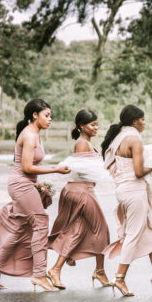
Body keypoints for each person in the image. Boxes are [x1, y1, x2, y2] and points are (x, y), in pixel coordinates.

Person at [0, 99, 70, 291]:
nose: (50, 119)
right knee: (41, 223)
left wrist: (37, 183)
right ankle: (39, 275)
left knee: (20, 227)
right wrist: (55, 170)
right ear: (34, 115)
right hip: (20, 185)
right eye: (47, 115)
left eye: (50, 116)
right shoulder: (30, 135)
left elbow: (28, 168)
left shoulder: (35, 134)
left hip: (26, 183)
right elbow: (26, 167)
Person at [101, 105, 152, 297]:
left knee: (151, 229)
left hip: (124, 191)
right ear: (135, 121)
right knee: (133, 236)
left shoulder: (118, 138)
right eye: (142, 119)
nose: (144, 123)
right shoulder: (134, 139)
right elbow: (139, 171)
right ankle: (119, 278)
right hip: (135, 192)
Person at [46, 109, 111, 289]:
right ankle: (99, 271)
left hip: (82, 190)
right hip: (82, 192)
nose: (96, 128)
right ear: (82, 126)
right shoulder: (82, 144)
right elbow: (81, 169)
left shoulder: (85, 143)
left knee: (76, 231)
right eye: (92, 124)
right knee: (102, 230)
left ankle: (56, 269)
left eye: (97, 124)